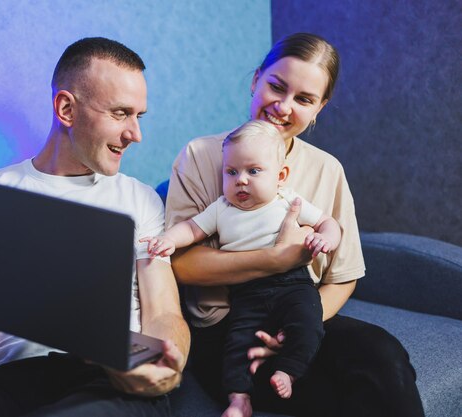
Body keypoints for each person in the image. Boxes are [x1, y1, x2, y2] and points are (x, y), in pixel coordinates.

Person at [0, 37, 190, 417]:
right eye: (121, 113)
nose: (136, 134)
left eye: (139, 116)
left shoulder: (140, 199)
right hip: (9, 384)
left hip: (110, 381)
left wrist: (168, 363)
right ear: (66, 108)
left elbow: (164, 313)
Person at [166, 33, 425, 417]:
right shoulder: (201, 155)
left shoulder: (327, 169)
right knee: (345, 399)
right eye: (276, 86)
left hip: (299, 314)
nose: (284, 107)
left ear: (320, 107)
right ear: (256, 80)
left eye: (304, 99)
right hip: (227, 332)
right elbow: (183, 264)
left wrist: (293, 331)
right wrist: (275, 259)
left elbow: (344, 276)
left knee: (384, 357)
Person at [144, 120, 339, 416]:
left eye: (254, 171)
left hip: (293, 284)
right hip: (246, 292)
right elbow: (191, 229)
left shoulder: (287, 201)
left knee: (308, 322)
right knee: (238, 345)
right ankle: (238, 398)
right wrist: (168, 240)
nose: (241, 180)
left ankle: (289, 370)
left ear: (281, 176)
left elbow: (330, 223)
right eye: (231, 172)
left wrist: (324, 238)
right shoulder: (222, 208)